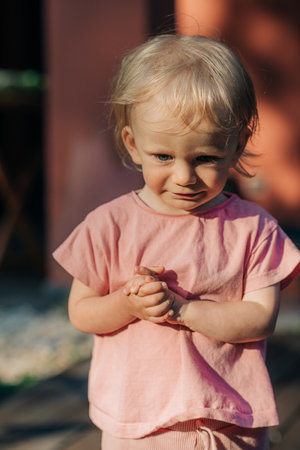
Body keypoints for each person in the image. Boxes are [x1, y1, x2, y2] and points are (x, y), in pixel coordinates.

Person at [53, 34, 300, 449]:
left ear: (236, 145)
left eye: (205, 158)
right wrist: (126, 304)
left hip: (229, 420)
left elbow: (261, 317)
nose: (184, 176)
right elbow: (81, 312)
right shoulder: (109, 225)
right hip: (138, 422)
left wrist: (184, 309)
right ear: (134, 145)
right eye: (164, 157)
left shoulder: (252, 228)